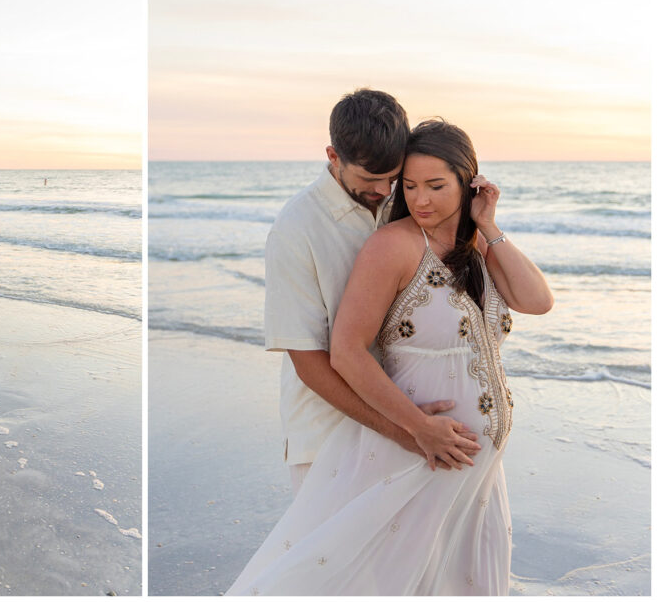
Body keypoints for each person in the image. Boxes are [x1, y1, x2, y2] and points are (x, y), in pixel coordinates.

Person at [228, 120, 553, 595]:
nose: (420, 199)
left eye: (436, 186)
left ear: (469, 180)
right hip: (417, 452)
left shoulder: (474, 245)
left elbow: (537, 301)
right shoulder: (390, 244)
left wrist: (489, 224)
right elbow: (342, 351)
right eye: (411, 186)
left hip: (475, 470)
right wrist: (416, 430)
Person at [264, 90, 478, 498]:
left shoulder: (404, 202)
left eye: (392, 178)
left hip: (411, 424)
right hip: (328, 435)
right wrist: (405, 429)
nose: (384, 190)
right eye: (369, 179)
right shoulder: (297, 229)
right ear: (333, 156)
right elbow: (309, 363)